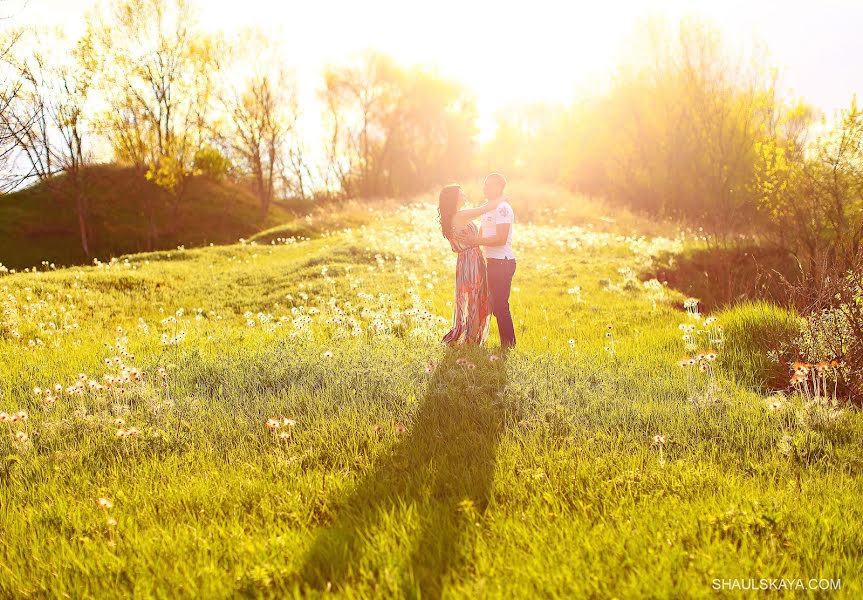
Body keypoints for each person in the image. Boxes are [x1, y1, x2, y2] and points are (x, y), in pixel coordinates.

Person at [437, 184, 502, 345]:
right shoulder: (460, 215)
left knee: (473, 296)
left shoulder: (453, 217)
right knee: (475, 297)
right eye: (461, 194)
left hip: (465, 261)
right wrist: (501, 199)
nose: (464, 196)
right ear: (455, 199)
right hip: (471, 261)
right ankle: (471, 339)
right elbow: (485, 209)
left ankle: (471, 336)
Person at [471, 173, 516, 349]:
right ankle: (480, 339)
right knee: (492, 303)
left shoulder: (503, 208)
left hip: (503, 263)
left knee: (500, 306)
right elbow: (481, 235)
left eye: (489, 185)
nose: (485, 188)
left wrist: (477, 241)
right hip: (491, 262)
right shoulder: (488, 208)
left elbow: (501, 239)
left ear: (499, 187)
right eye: (484, 185)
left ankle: (509, 345)